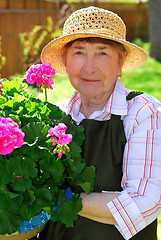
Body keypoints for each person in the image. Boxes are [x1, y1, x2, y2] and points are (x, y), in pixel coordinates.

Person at [36, 6, 161, 240]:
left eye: (102, 53)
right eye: (79, 52)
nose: (90, 67)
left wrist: (63, 199)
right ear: (65, 60)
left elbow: (145, 202)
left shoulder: (142, 112)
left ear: (120, 63)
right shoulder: (55, 115)